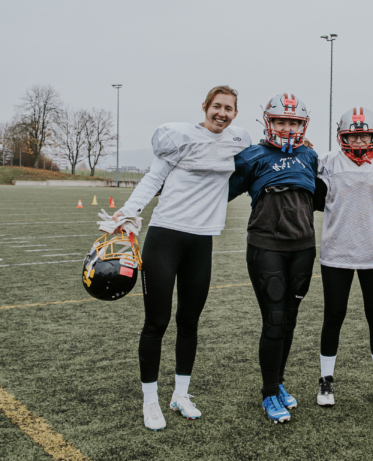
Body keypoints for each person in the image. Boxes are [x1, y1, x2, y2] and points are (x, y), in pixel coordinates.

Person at [112, 85, 252, 431]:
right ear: (205, 107)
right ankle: (150, 401)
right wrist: (128, 214)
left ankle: (181, 394)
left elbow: (258, 158)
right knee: (157, 322)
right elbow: (153, 178)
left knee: (190, 322)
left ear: (236, 113)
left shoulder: (239, 141)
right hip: (166, 236)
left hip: (202, 241)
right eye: (217, 106)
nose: (222, 113)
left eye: (229, 109)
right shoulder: (178, 138)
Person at [228, 93, 319, 424]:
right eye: (281, 120)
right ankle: (268, 393)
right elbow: (219, 191)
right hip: (267, 246)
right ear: (269, 122)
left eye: (293, 121)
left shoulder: (309, 155)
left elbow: (322, 197)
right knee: (275, 320)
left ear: (302, 125)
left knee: (290, 319)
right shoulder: (252, 156)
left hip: (303, 247)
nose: (287, 127)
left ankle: (277, 382)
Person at [313, 107, 373, 407]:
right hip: (336, 252)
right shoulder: (326, 162)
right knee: (333, 317)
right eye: (353, 134)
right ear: (342, 135)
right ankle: (326, 380)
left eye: (365, 133)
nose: (359, 139)